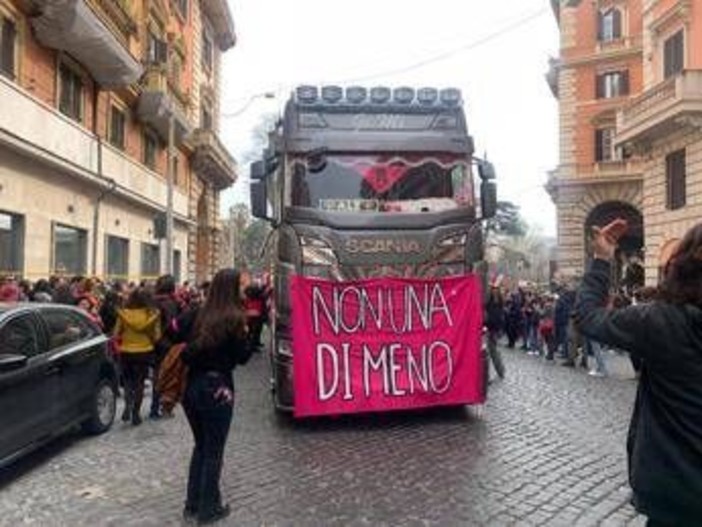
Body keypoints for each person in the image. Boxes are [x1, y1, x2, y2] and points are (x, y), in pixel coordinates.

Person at [575, 219, 702, 525]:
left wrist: (603, 259)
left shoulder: (659, 321)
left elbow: (589, 318)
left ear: (679, 265)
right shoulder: (659, 319)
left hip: (676, 493)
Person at [170, 269, 253, 524]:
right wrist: (248, 332)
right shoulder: (235, 318)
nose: (244, 289)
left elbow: (170, 331)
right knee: (214, 450)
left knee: (201, 445)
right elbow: (243, 357)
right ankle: (209, 509)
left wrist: (187, 348)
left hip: (192, 386)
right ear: (232, 288)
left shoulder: (195, 312)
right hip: (218, 388)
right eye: (241, 285)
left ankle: (192, 504)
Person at [113, 287, 161, 426]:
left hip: (126, 351)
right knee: (140, 382)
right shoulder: (152, 314)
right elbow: (157, 337)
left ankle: (128, 405)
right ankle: (136, 413)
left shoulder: (124, 314)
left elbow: (116, 333)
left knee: (128, 381)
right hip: (144, 351)